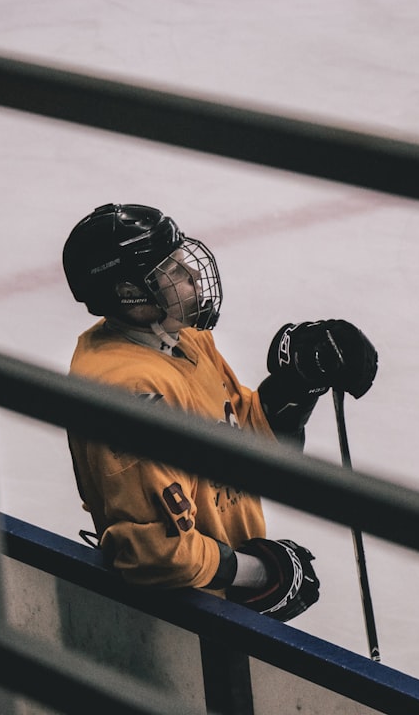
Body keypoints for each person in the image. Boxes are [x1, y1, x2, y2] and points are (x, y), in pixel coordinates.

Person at [62, 203, 377, 621]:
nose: (190, 276)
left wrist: (298, 385)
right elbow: (154, 552)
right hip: (181, 617)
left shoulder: (184, 339)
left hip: (220, 596)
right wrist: (261, 573)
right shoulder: (128, 391)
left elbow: (240, 441)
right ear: (127, 292)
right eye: (171, 270)